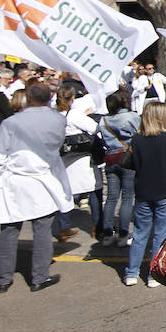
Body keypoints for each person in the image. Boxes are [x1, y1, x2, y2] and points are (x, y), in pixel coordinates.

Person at [0, 82, 71, 293]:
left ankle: (3, 279)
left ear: (29, 98)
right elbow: (57, 144)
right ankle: (39, 277)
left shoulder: (11, 123)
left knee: (9, 231)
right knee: (42, 230)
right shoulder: (57, 120)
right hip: (43, 178)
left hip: (16, 179)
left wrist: (0, 177)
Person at [125, 101, 166, 287]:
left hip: (143, 189)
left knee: (141, 233)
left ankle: (131, 272)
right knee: (161, 233)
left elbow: (131, 162)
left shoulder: (137, 139)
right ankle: (153, 274)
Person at [97, 90, 140, 246]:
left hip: (110, 158)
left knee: (111, 197)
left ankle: (107, 233)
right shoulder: (132, 117)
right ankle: (123, 233)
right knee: (128, 197)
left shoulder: (104, 120)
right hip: (127, 159)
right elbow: (140, 134)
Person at [56, 85, 99, 242]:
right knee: (93, 189)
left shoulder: (56, 114)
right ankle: (96, 227)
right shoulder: (74, 114)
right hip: (81, 157)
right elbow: (94, 128)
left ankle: (63, 227)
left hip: (63, 158)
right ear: (73, 98)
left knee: (65, 192)